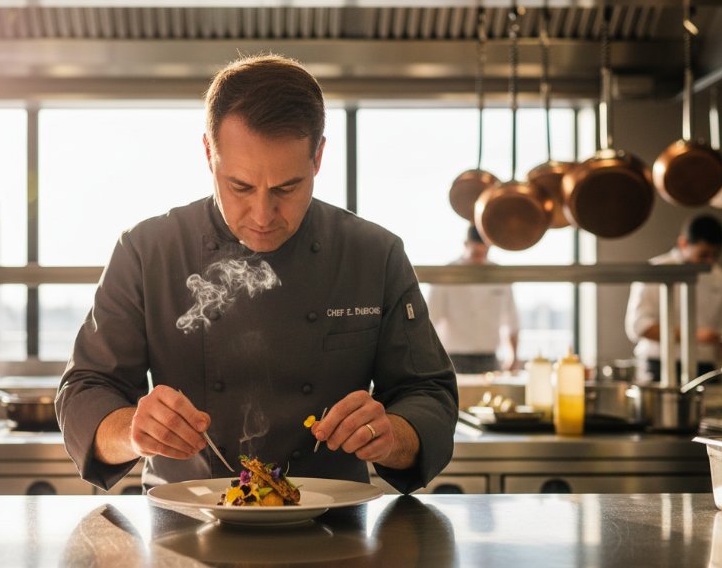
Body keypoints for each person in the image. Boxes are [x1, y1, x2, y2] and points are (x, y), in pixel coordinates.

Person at [56, 54, 457, 495]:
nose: (263, 215)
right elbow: (86, 389)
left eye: (288, 187)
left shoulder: (374, 254)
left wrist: (394, 434)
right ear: (209, 153)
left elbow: (428, 393)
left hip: (336, 529)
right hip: (185, 528)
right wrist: (131, 429)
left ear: (318, 157)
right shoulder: (146, 251)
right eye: (240, 187)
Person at [625, 214, 722, 383]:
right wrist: (692, 335)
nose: (710, 261)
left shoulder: (718, 275)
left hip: (705, 368)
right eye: (704, 254)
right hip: (659, 366)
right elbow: (639, 326)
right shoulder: (655, 271)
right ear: (684, 243)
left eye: (715, 255)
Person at [426, 224, 519, 373]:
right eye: (476, 253)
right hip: (453, 359)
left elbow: (511, 321)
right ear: (466, 245)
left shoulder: (500, 275)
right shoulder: (446, 274)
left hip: (490, 359)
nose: (480, 259)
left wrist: (513, 356)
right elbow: (429, 322)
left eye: (484, 253)